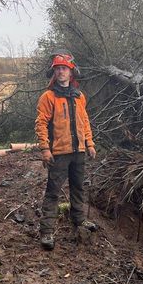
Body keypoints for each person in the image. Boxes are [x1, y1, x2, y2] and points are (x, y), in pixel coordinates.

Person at [34, 52, 97, 250]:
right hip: (58, 153)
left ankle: (78, 219)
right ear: (54, 72)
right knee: (53, 192)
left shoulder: (79, 96)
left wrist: (90, 143)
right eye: (58, 68)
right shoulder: (48, 96)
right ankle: (46, 231)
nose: (61, 71)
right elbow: (41, 123)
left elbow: (84, 121)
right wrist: (45, 148)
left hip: (78, 151)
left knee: (78, 187)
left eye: (64, 68)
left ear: (71, 72)